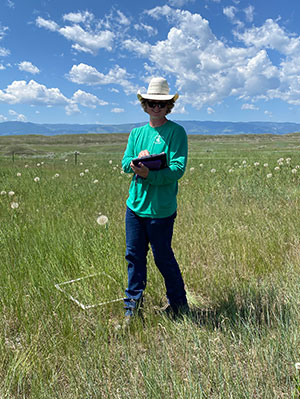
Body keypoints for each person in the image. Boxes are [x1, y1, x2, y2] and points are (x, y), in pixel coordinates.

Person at [121, 77, 189, 320]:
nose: (156, 107)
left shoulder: (176, 132)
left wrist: (149, 173)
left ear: (169, 106)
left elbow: (178, 170)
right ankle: (132, 311)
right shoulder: (137, 133)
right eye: (151, 103)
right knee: (134, 257)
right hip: (135, 208)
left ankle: (179, 306)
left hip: (161, 210)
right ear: (145, 104)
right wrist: (135, 161)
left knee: (163, 257)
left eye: (161, 104)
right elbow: (124, 164)